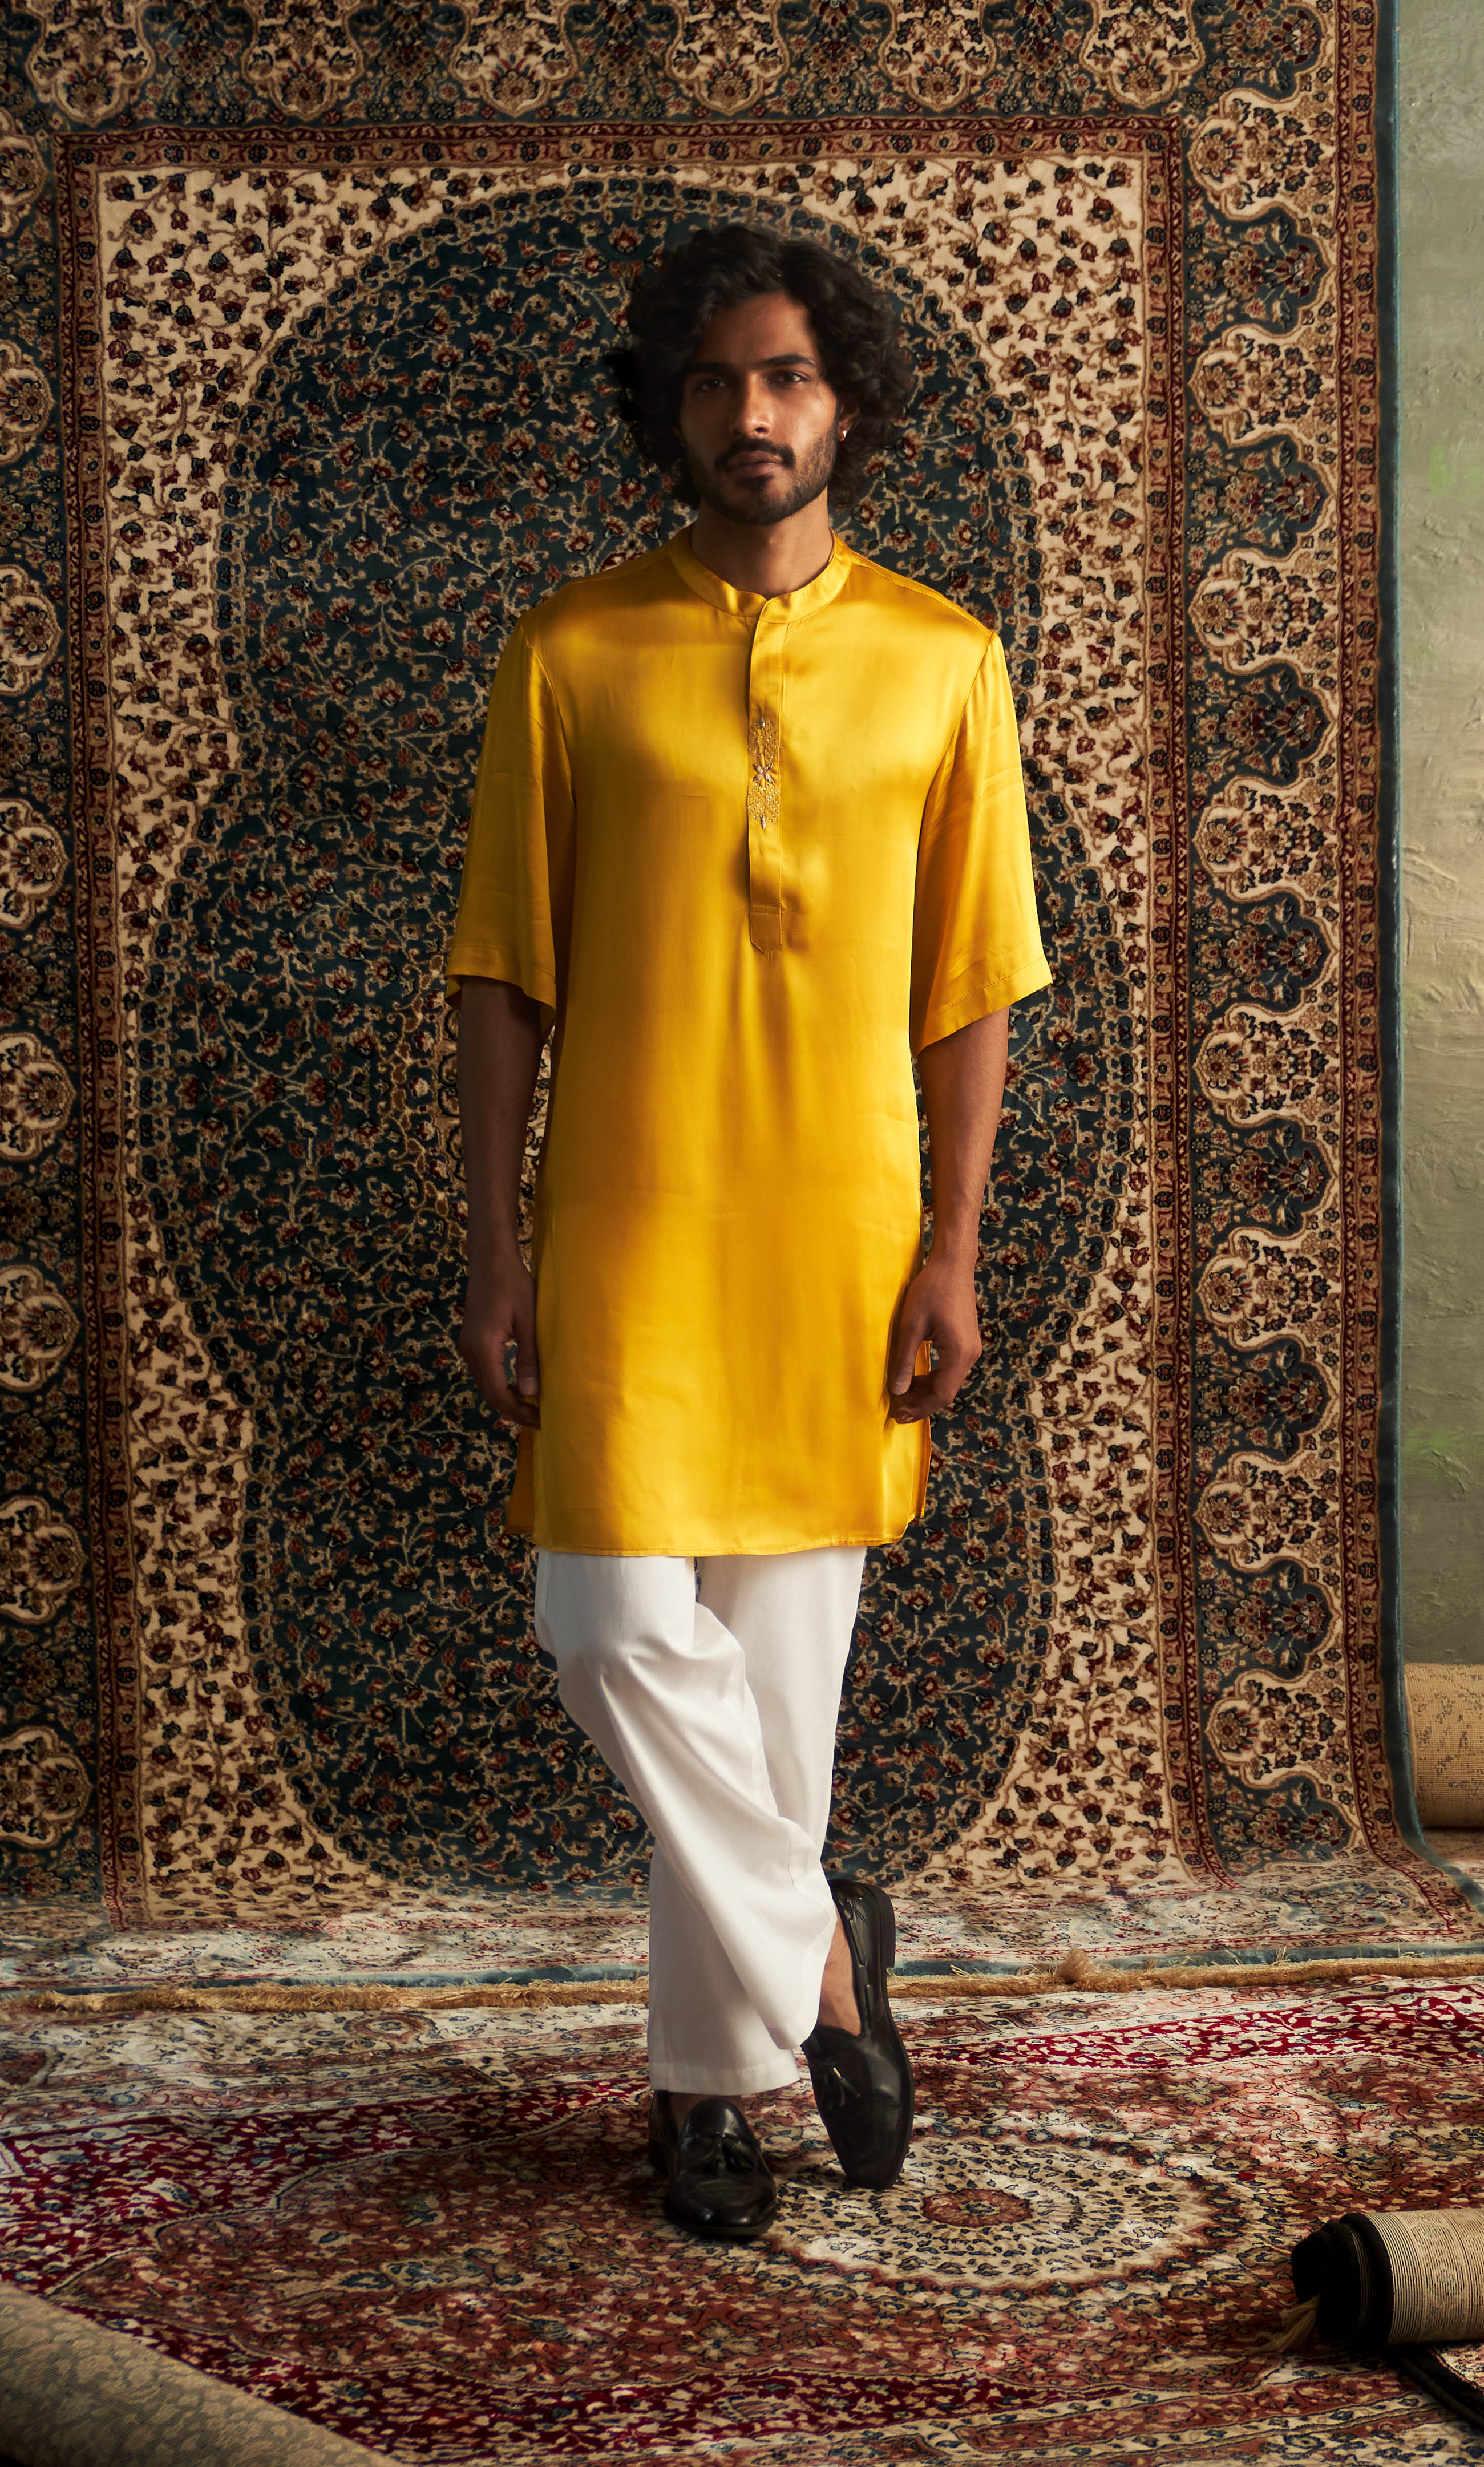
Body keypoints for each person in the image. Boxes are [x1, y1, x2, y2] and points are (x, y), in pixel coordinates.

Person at [447, 222, 1049, 2240]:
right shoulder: (570, 649)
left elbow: (969, 986)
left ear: (846, 401)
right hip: (625, 1214)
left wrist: (951, 1247)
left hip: (836, 1222)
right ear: (671, 409)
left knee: (781, 1686)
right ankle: (822, 1955)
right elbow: (502, 971)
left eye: (785, 374)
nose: (750, 412)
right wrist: (495, 1250)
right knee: (606, 1622)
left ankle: (706, 2093)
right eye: (712, 380)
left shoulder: (944, 660)